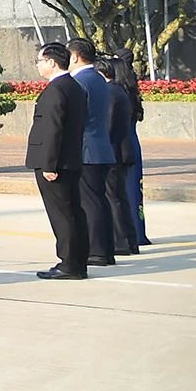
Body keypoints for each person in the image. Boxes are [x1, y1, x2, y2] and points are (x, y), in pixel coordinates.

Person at [27, 42, 89, 281]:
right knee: (74, 211)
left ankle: (68, 264)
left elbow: (53, 129)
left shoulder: (56, 89)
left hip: (56, 162)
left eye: (40, 61)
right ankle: (77, 261)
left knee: (62, 214)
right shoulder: (74, 86)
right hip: (71, 159)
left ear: (52, 62)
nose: (39, 65)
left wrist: (49, 165)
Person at [66, 39, 116, 266]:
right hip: (101, 147)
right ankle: (106, 249)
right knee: (100, 200)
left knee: (90, 202)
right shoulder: (98, 79)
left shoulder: (79, 81)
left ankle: (96, 251)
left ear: (75, 57)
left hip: (86, 149)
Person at [99, 58, 141, 257]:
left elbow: (107, 126)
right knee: (120, 197)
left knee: (113, 197)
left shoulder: (110, 92)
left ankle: (122, 242)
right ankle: (131, 240)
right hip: (123, 151)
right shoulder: (121, 91)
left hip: (114, 152)